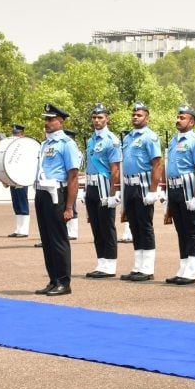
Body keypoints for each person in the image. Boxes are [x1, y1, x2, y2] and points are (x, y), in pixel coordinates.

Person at [34, 103, 81, 296]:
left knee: (58, 239)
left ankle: (64, 282)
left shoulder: (67, 144)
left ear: (61, 121)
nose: (47, 123)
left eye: (51, 119)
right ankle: (53, 279)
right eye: (46, 119)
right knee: (46, 238)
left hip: (57, 194)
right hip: (42, 193)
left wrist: (69, 207)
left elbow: (73, 176)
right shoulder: (45, 143)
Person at [120, 102, 162, 281]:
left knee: (144, 226)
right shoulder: (128, 137)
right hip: (129, 186)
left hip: (143, 185)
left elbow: (157, 164)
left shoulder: (150, 137)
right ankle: (137, 266)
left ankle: (147, 268)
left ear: (147, 118)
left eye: (139, 115)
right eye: (134, 115)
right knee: (134, 226)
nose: (135, 117)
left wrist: (153, 190)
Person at [164, 105, 195, 285]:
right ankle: (183, 267)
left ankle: (191, 270)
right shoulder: (173, 140)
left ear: (192, 122)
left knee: (191, 230)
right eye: (178, 116)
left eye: (182, 117)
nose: (178, 119)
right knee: (180, 229)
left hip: (187, 188)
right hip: (173, 189)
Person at [84, 104, 122, 279]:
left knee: (107, 225)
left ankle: (110, 263)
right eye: (94, 117)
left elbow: (115, 169)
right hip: (91, 185)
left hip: (104, 186)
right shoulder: (91, 140)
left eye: (100, 117)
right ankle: (101, 261)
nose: (97, 121)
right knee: (96, 226)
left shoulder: (111, 139)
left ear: (107, 118)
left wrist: (114, 193)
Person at [7, 124, 31, 238]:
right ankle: (18, 228)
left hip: (22, 178)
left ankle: (24, 230)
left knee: (22, 202)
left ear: (22, 134)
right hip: (13, 178)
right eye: (14, 134)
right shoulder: (11, 148)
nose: (15, 136)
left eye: (17, 134)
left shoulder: (26, 147)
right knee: (16, 203)